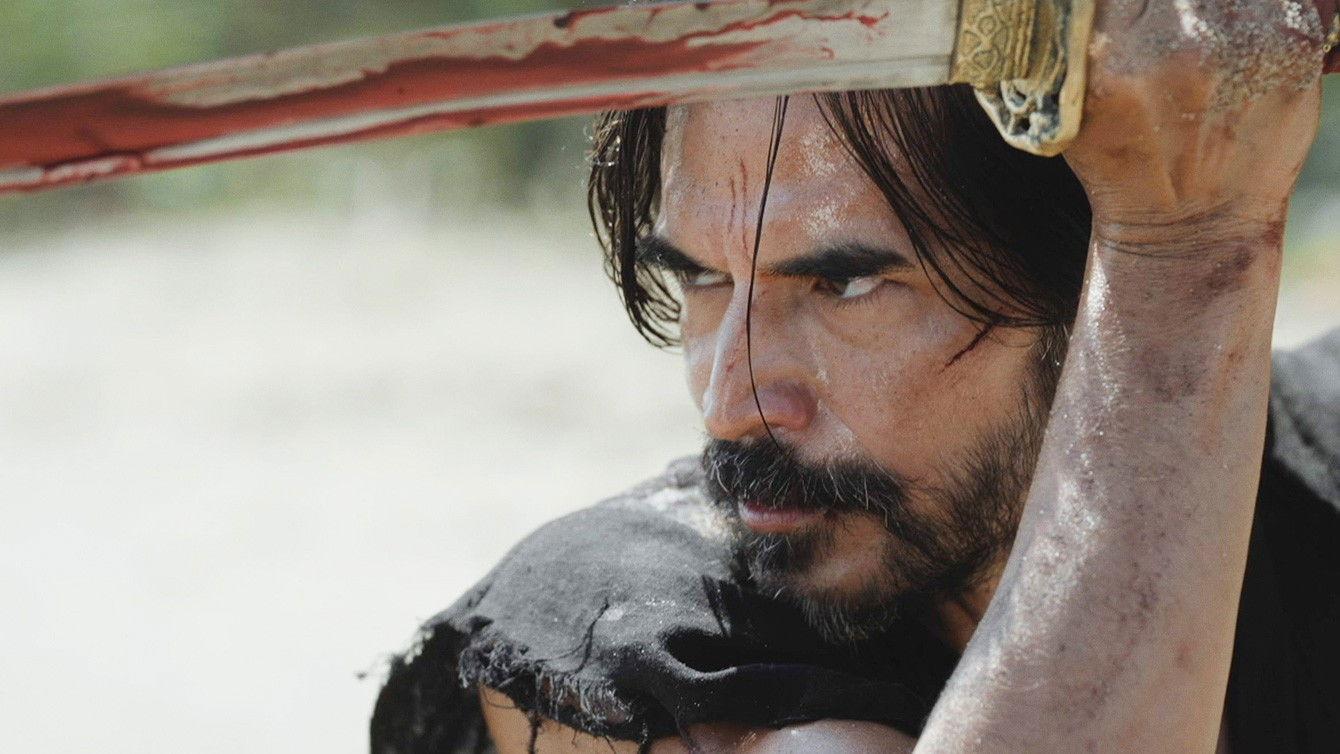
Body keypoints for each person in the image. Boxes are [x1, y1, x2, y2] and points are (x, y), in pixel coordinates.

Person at [372, 1, 1340, 751]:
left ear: (1076, 281)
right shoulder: (636, 625)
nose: (732, 403)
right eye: (700, 278)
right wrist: (1185, 250)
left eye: (844, 284)